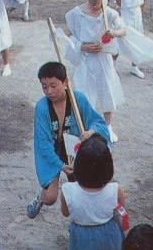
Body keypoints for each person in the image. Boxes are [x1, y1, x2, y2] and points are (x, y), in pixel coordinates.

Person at [26, 61, 109, 219]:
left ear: (65, 82)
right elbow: (43, 144)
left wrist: (90, 132)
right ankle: (41, 198)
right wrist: (61, 165)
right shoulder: (42, 107)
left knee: (80, 190)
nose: (49, 91)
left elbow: (97, 122)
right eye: (44, 86)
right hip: (53, 149)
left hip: (75, 147)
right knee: (50, 198)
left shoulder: (78, 99)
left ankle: (77, 221)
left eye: (53, 85)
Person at [63, 0, 127, 143]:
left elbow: (123, 29)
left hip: (103, 60)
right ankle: (86, 128)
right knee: (84, 94)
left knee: (107, 91)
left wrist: (113, 32)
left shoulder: (110, 14)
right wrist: (82, 46)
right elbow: (66, 37)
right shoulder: (76, 14)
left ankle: (108, 127)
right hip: (84, 61)